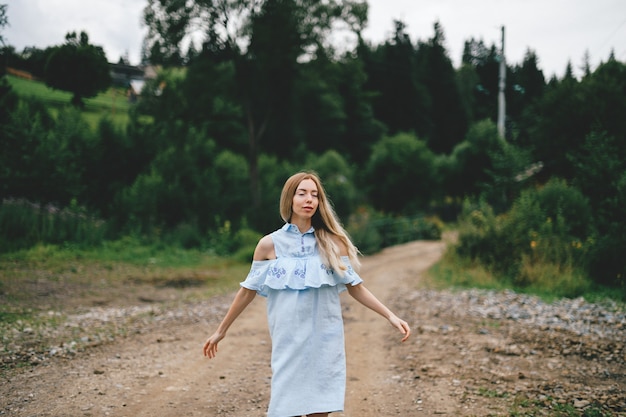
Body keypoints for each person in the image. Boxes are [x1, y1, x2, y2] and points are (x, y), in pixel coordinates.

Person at [203, 171, 410, 417]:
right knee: (285, 409)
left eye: (315, 195)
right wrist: (221, 330)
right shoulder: (269, 245)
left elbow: (356, 287)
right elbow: (247, 291)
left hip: (325, 338)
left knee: (319, 410)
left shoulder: (333, 243)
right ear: (289, 199)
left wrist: (390, 316)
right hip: (288, 340)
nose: (309, 199)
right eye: (302, 193)